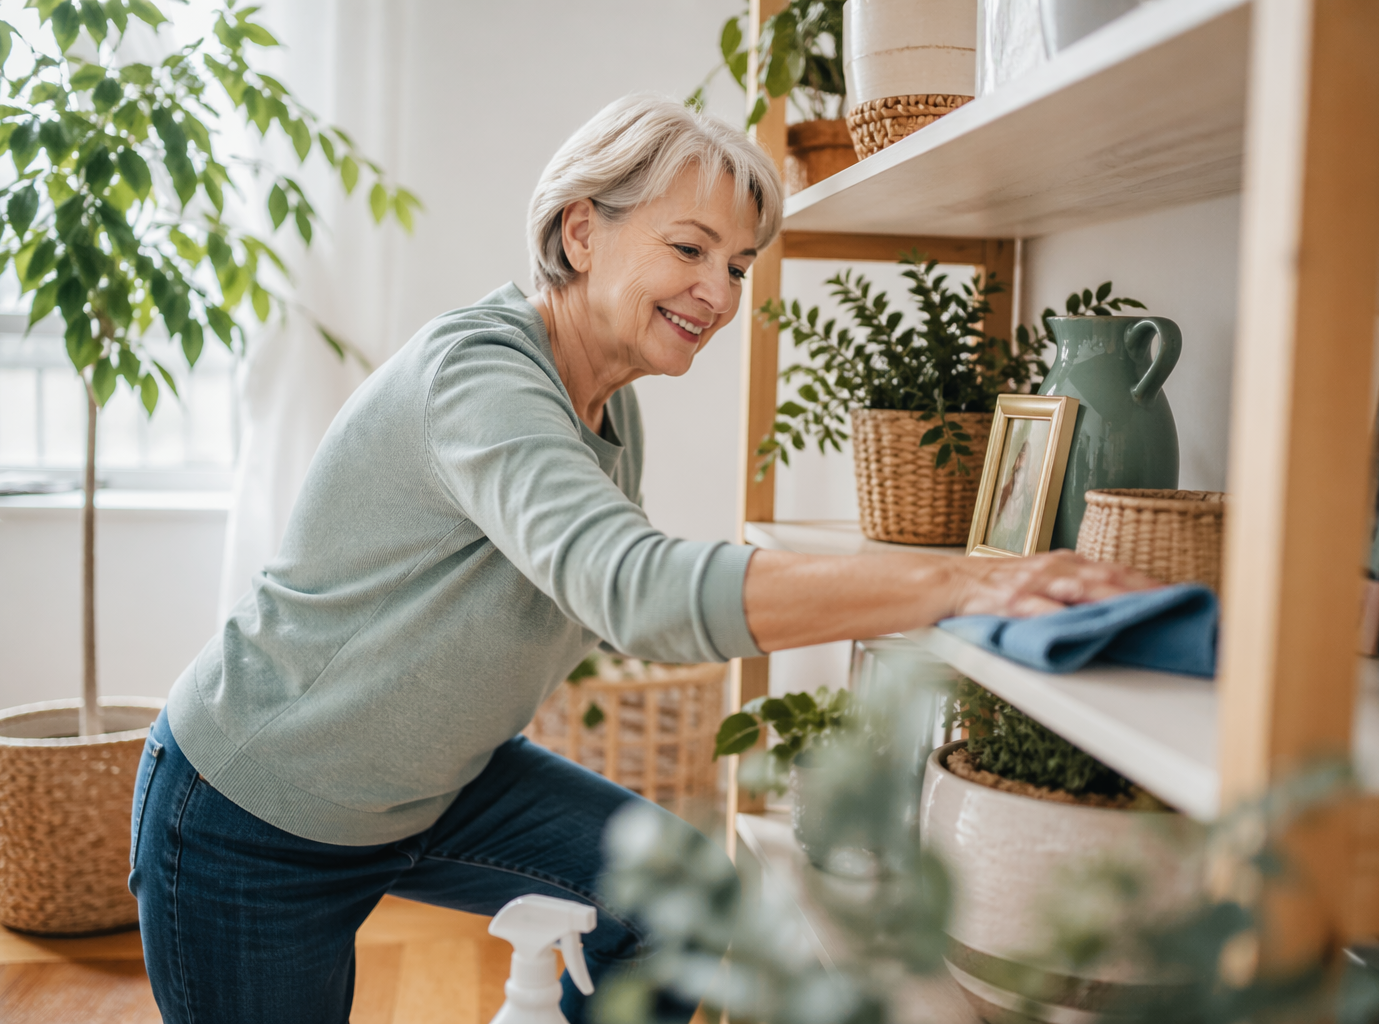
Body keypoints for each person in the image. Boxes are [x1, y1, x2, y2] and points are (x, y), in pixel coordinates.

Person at [128, 95, 1154, 1024]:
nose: (717, 291)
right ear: (582, 230)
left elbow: (612, 584)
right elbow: (635, 589)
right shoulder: (477, 373)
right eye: (691, 248)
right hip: (249, 814)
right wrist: (964, 582)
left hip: (431, 791)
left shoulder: (609, 409)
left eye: (739, 267)